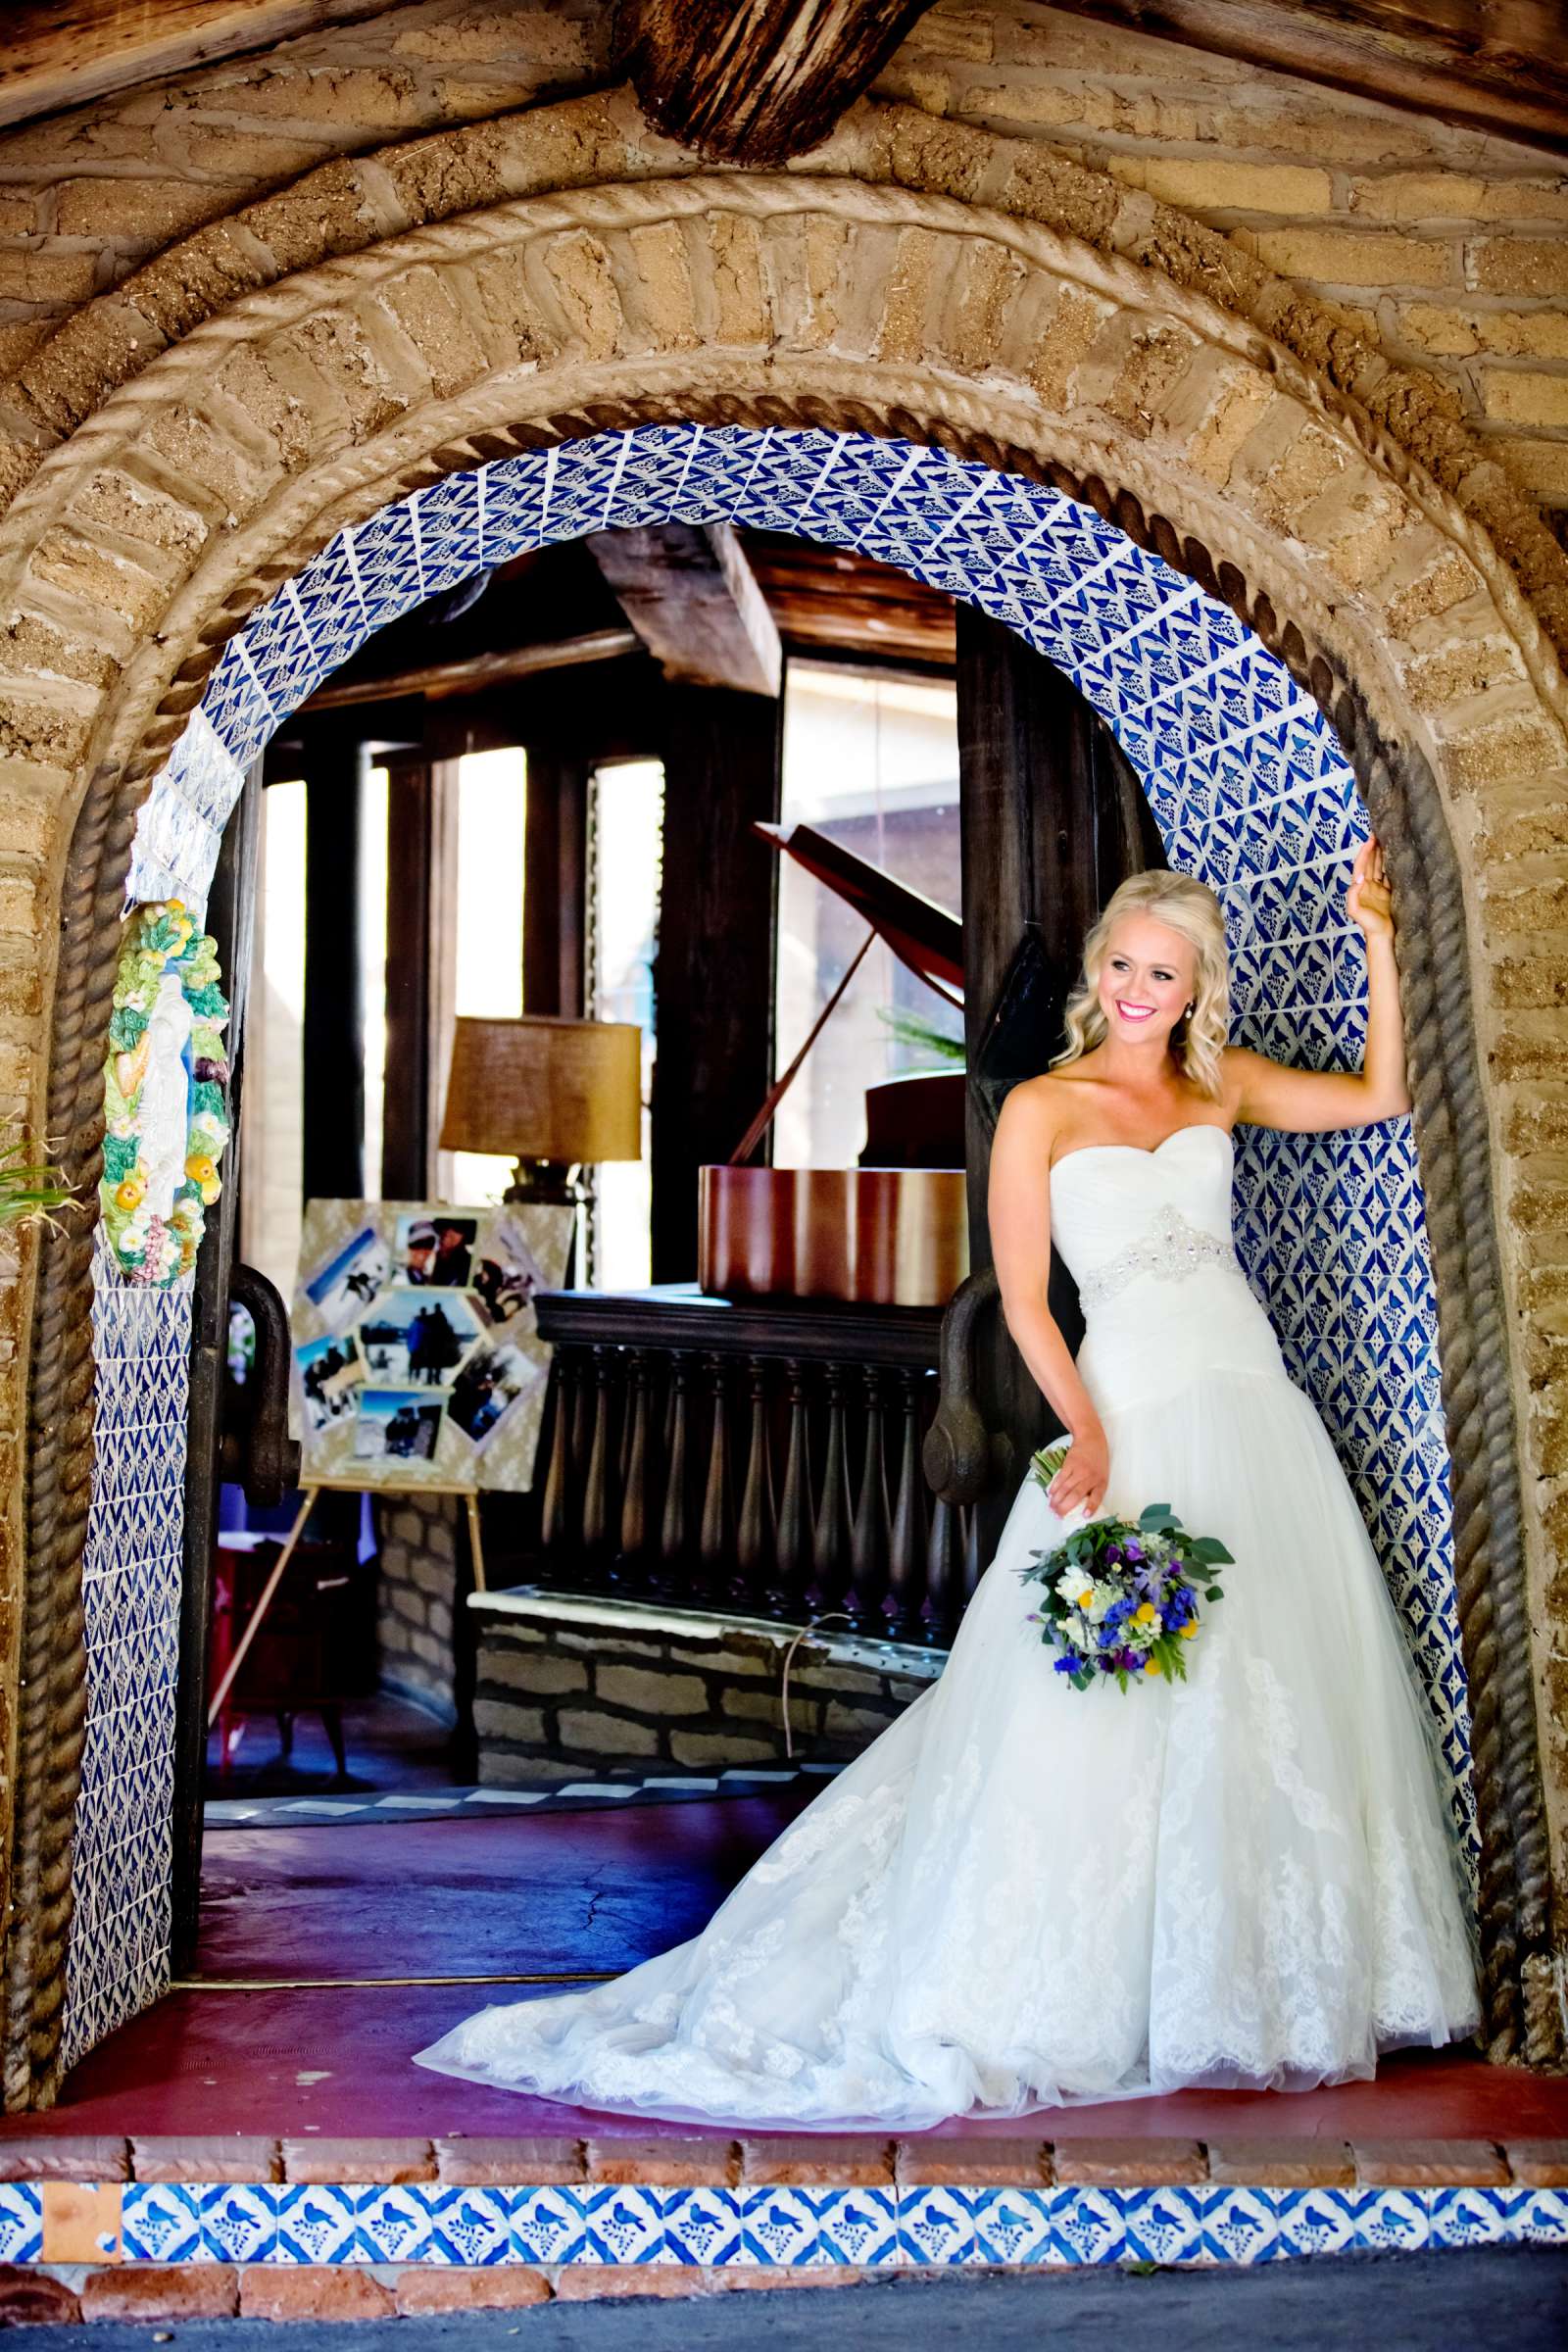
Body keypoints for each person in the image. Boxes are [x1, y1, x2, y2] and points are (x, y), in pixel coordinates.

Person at [414, 841, 1482, 2129]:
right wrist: (1085, 1433)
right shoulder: (1042, 1106)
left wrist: (1375, 930)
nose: (1142, 989)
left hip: (1251, 1403)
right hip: (1129, 1410)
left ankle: (1247, 1986)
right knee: (1101, 1708)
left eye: (1167, 972)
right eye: (1126, 966)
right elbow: (1027, 1304)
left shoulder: (1222, 1088)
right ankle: (1073, 1983)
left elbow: (1380, 1094)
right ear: (1100, 973)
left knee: (1267, 1699)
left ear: (1199, 988)